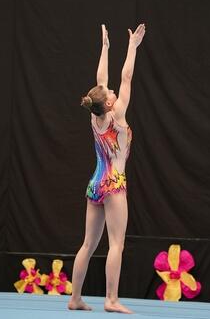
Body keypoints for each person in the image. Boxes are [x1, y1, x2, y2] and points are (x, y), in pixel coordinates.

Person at [68, 23, 146, 314]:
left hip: (95, 183)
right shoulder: (118, 114)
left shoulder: (94, 114)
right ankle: (111, 299)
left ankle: (75, 298)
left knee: (88, 244)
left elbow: (101, 81)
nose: (112, 90)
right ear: (110, 103)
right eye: (110, 92)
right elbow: (126, 77)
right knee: (116, 244)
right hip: (114, 183)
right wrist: (132, 47)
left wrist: (105, 47)